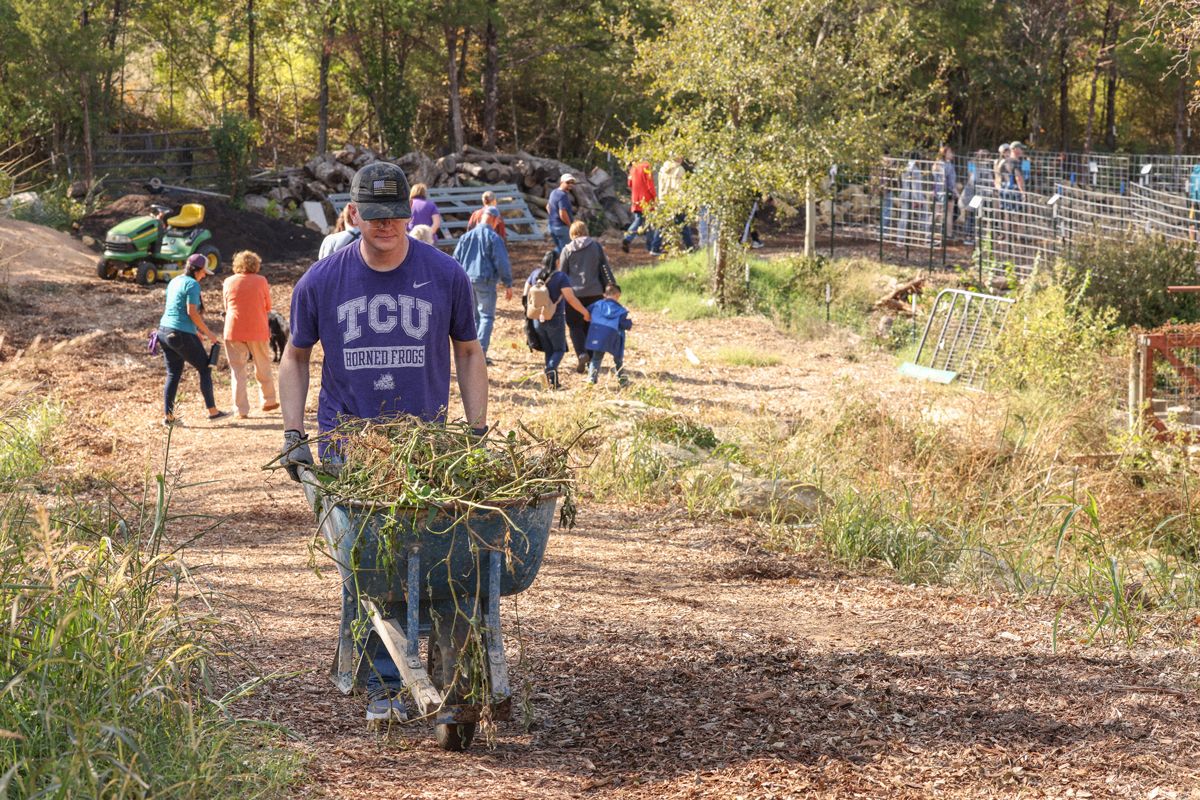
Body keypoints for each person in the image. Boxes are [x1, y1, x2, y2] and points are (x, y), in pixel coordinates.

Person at [277, 161, 485, 726]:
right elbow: (295, 357)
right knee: (371, 567)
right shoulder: (321, 282)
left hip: (426, 446)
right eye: (375, 217)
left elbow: (468, 351)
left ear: (408, 214)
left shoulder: (446, 276)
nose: (386, 226)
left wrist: (475, 430)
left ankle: (445, 667)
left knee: (438, 558)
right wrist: (294, 435)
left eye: (396, 215)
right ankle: (385, 684)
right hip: (350, 445)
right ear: (354, 214)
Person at [158, 253, 227, 425]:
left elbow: (175, 308)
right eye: (204, 272)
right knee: (205, 369)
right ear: (197, 270)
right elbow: (192, 312)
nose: (204, 276)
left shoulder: (175, 281)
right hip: (179, 333)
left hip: (164, 332)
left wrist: (194, 331)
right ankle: (213, 412)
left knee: (173, 374)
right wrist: (210, 334)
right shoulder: (192, 284)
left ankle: (169, 418)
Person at [222, 250, 279, 419]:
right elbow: (268, 306)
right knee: (263, 365)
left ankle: (240, 409)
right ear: (256, 265)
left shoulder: (228, 281)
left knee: (237, 370)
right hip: (257, 328)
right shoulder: (261, 281)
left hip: (233, 329)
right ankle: (268, 400)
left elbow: (226, 306)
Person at [524, 247, 591, 389]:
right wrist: (584, 312)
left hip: (537, 319)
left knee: (549, 350)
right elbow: (571, 299)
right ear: (556, 262)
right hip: (555, 318)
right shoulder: (560, 277)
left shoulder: (535, 274)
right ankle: (550, 368)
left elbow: (525, 293)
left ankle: (553, 384)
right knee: (559, 350)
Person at [452, 210, 513, 363]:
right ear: (494, 220)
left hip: (466, 281)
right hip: (485, 281)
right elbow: (501, 262)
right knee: (486, 316)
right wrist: (508, 283)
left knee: (473, 317)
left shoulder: (466, 237)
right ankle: (480, 354)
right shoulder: (494, 238)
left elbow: (455, 260)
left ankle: (471, 353)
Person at [558, 220, 617, 374]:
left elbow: (562, 274)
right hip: (595, 292)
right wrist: (610, 286)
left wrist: (558, 293)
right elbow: (604, 267)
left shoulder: (567, 249)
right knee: (591, 326)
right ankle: (591, 358)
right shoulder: (596, 246)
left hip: (574, 295)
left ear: (572, 234)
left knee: (574, 325)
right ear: (585, 231)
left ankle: (581, 353)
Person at [584, 284, 632, 386]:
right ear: (618, 295)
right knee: (618, 359)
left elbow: (587, 312)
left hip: (597, 335)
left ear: (605, 294)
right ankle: (622, 380)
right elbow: (622, 324)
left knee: (596, 358)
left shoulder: (596, 304)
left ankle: (591, 379)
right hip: (613, 337)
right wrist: (629, 323)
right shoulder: (620, 310)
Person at [622, 159, 661, 255]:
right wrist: (655, 198)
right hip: (647, 199)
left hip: (636, 199)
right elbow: (650, 184)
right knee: (649, 223)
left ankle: (627, 238)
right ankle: (651, 246)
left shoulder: (633, 167)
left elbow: (629, 183)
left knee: (638, 220)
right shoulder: (646, 166)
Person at [657, 154, 693, 251]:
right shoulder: (680, 169)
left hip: (664, 200)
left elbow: (660, 186)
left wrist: (661, 199)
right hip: (675, 201)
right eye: (681, 157)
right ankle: (690, 247)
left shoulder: (663, 169)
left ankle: (655, 247)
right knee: (683, 225)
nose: (682, 159)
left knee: (662, 225)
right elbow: (679, 187)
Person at [932, 145, 958, 240]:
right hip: (947, 192)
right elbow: (951, 182)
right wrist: (955, 192)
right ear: (945, 154)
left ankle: (929, 231)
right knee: (949, 214)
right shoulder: (948, 165)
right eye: (950, 152)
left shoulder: (936, 165)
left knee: (936, 212)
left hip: (937, 191)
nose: (952, 154)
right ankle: (948, 234)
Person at [546, 174, 577, 255]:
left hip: (552, 226)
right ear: (561, 182)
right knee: (567, 251)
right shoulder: (562, 195)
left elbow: (548, 207)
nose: (570, 185)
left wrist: (554, 217)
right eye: (568, 182)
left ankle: (551, 262)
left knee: (560, 249)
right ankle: (564, 267)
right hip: (562, 228)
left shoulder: (553, 192)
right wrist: (570, 226)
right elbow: (562, 213)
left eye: (572, 183)